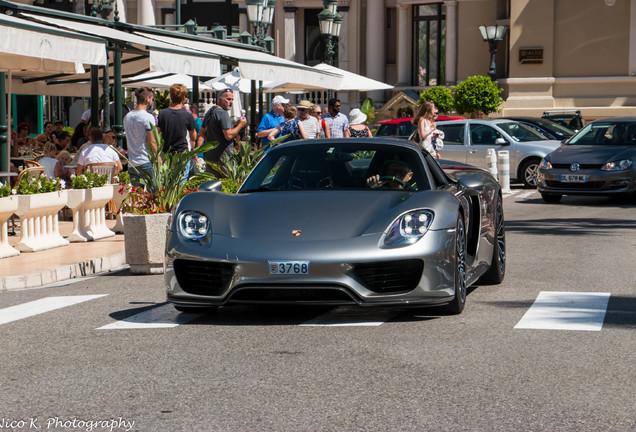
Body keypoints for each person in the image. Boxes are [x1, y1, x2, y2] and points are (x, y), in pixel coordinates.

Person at [197, 89, 247, 173]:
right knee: (226, 183)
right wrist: (241, 125)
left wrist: (198, 153)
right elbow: (228, 135)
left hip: (210, 157)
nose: (231, 102)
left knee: (212, 183)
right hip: (223, 159)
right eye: (228, 99)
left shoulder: (210, 111)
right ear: (220, 99)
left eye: (232, 99)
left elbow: (202, 133)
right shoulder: (223, 113)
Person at [157, 83, 197, 180]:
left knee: (168, 183)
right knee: (181, 183)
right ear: (184, 98)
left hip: (167, 155)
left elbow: (157, 134)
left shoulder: (162, 114)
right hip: (182, 153)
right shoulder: (187, 116)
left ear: (171, 97)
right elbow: (193, 137)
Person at [124, 87, 158, 188]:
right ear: (147, 98)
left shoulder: (127, 116)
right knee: (154, 196)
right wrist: (158, 157)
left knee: (137, 198)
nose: (152, 101)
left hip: (132, 163)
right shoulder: (148, 117)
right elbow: (152, 142)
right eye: (152, 99)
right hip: (145, 161)